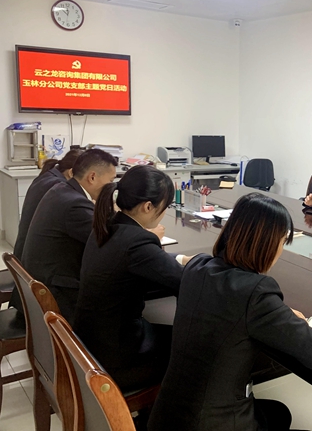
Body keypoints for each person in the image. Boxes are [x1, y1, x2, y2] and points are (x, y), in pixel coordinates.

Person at [148, 193, 312, 431]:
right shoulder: (257, 292)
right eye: (281, 242)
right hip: (213, 423)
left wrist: (280, 314)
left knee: (278, 413)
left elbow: (231, 306)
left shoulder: (197, 266)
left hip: (167, 417)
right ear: (267, 244)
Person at [74, 165, 192, 392]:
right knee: (193, 350)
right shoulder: (137, 241)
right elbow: (183, 281)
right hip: (116, 359)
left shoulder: (108, 225)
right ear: (148, 206)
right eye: (165, 206)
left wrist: (181, 258)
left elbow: (151, 262)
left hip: (91, 342)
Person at [21, 149, 117, 324]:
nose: (112, 186)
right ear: (92, 177)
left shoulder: (62, 189)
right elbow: (108, 241)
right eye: (110, 181)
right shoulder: (75, 204)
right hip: (58, 292)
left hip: (45, 279)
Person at [14, 149, 82, 259]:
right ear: (71, 172)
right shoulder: (59, 186)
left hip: (24, 252)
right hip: (35, 258)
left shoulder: (48, 176)